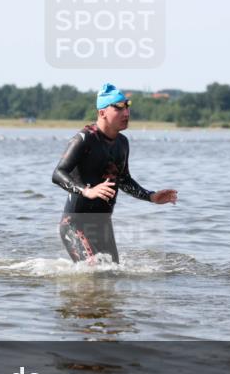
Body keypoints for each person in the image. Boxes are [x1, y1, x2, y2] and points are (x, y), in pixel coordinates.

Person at [52, 83, 177, 264]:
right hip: (74, 224)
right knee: (93, 272)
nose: (126, 113)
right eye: (119, 108)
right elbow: (58, 173)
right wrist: (86, 190)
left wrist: (151, 197)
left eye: (127, 107)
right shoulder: (84, 139)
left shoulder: (122, 143)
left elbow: (123, 180)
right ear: (102, 113)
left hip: (102, 224)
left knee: (112, 275)